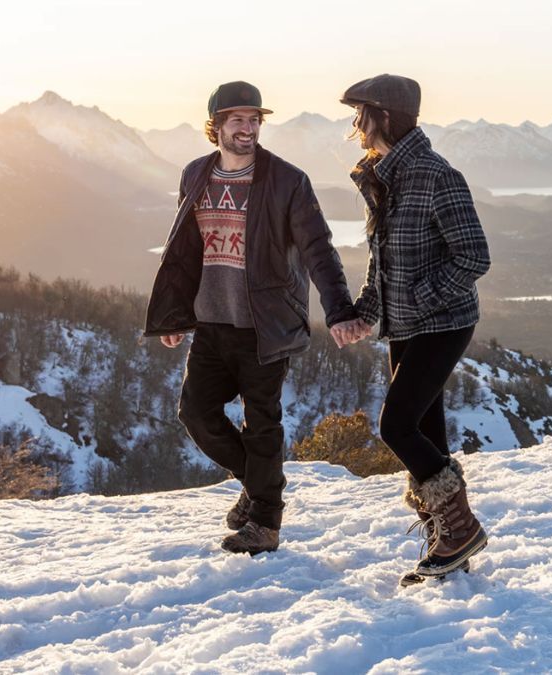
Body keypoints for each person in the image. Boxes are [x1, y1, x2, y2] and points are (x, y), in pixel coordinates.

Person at [144, 81, 363, 555]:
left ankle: (266, 523)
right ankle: (261, 485)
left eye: (255, 119)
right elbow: (185, 250)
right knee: (196, 413)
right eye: (238, 120)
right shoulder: (196, 174)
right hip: (210, 321)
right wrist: (174, 315)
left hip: (265, 324)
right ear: (216, 126)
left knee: (262, 423)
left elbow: (318, 250)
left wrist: (340, 309)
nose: (249, 128)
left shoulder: (288, 180)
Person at [338, 74, 492, 586]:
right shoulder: (386, 175)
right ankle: (445, 550)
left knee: (397, 425)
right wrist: (367, 310)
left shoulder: (435, 175)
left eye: (361, 114)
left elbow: (474, 256)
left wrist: (419, 299)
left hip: (444, 323)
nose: (355, 125)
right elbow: (383, 263)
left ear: (384, 116)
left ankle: (461, 529)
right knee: (426, 432)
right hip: (406, 325)